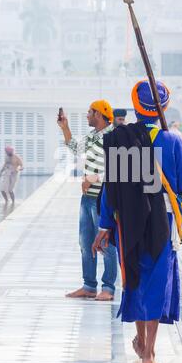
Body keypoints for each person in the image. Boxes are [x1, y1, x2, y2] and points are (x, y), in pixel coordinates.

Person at [92, 80, 182, 363]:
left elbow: (110, 188)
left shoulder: (118, 138)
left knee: (134, 277)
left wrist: (104, 226)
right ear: (163, 107)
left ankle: (139, 341)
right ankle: (149, 351)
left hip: (129, 221)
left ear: (136, 107)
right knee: (157, 280)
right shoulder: (172, 139)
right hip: (161, 221)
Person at [57, 100, 118, 301]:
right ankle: (89, 286)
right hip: (87, 198)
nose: (87, 116)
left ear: (99, 115)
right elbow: (75, 147)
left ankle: (108, 288)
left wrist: (93, 178)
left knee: (106, 244)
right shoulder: (92, 136)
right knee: (85, 242)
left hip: (103, 198)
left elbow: (120, 167)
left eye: (89, 112)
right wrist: (65, 127)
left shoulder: (113, 137)